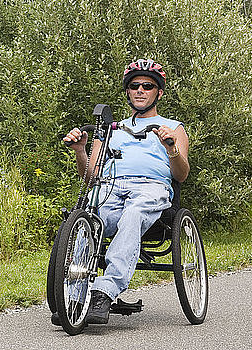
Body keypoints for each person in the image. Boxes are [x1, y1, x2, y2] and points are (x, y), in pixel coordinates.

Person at [63, 58, 190, 324]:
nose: (140, 90)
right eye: (134, 86)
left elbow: (181, 174)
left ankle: (103, 293)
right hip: (110, 187)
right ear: (128, 91)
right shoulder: (111, 130)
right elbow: (90, 177)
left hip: (151, 188)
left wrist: (171, 148)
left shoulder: (173, 128)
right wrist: (80, 151)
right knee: (89, 222)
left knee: (132, 215)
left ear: (159, 93)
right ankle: (75, 297)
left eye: (147, 85)